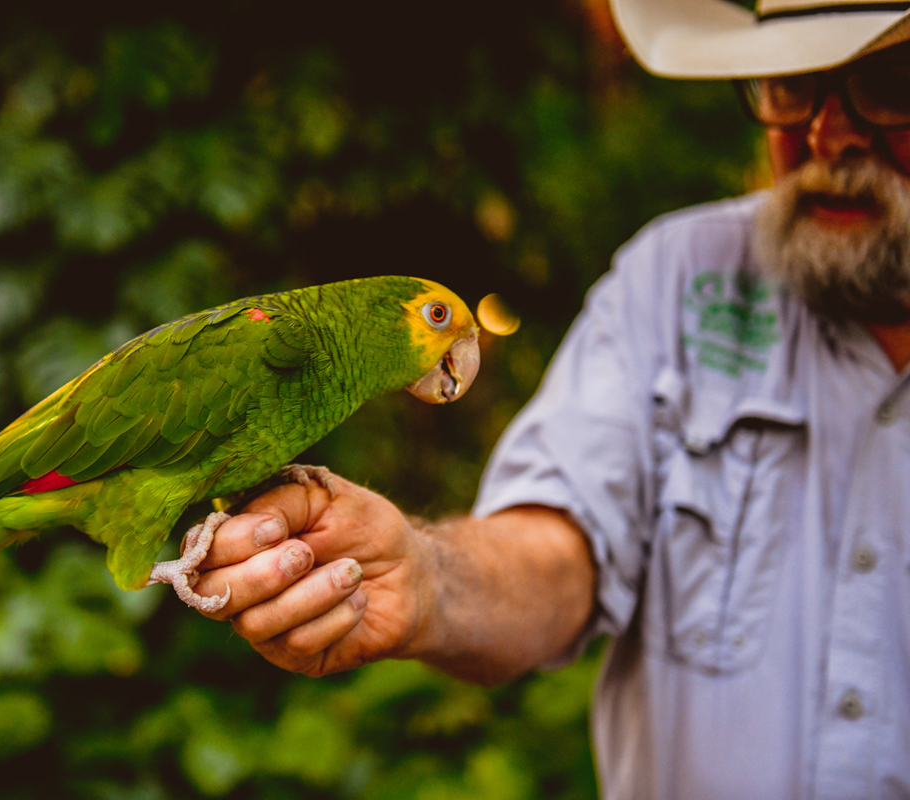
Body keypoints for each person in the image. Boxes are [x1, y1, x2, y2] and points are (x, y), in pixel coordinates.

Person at [185, 0, 910, 796]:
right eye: (792, 84)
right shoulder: (678, 278)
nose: (826, 136)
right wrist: (425, 578)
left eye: (890, 83)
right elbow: (556, 551)